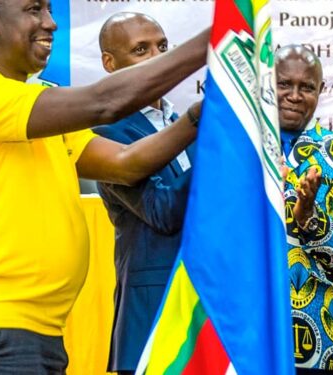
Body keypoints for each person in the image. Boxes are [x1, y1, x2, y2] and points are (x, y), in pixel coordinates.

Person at [0, 0, 209, 373]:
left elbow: (126, 164)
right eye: (34, 10)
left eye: (49, 10)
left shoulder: (34, 108)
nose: (51, 23)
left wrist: (199, 116)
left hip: (35, 335)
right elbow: (105, 103)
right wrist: (213, 42)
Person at [91, 13, 195, 375]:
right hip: (151, 321)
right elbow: (162, 210)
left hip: (205, 317)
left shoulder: (182, 121)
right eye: (141, 50)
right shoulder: (106, 136)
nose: (158, 59)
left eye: (163, 47)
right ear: (110, 63)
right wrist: (214, 152)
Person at [277, 45, 333, 374]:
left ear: (321, 90)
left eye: (307, 87)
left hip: (318, 333)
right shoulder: (238, 147)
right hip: (242, 328)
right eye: (284, 84)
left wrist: (309, 217)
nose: (295, 95)